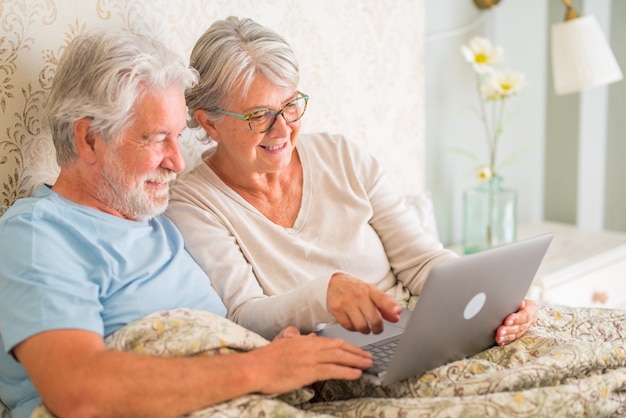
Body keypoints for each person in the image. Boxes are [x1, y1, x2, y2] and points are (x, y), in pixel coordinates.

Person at [0, 30, 374, 418]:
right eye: (158, 139)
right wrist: (261, 367)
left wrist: (273, 351)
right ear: (90, 139)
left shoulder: (160, 224)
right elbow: (79, 392)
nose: (178, 162)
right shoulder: (38, 235)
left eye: (178, 137)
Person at [166, 16, 538, 342]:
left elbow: (422, 263)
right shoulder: (193, 202)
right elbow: (245, 315)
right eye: (259, 115)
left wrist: (492, 296)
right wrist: (324, 295)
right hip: (335, 356)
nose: (282, 130)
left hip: (421, 330)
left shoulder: (341, 155)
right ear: (210, 122)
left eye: (291, 105)